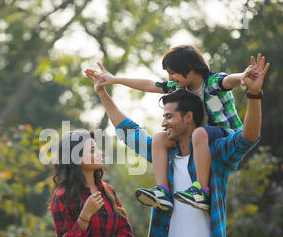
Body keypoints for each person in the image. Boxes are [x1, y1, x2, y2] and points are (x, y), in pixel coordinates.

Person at [87, 53, 269, 237]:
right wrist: (103, 93)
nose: (164, 124)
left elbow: (248, 136)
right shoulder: (164, 157)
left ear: (188, 117)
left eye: (169, 116)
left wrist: (254, 94)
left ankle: (199, 191)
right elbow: (129, 132)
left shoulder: (214, 155)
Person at [85, 45, 257, 213]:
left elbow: (228, 81)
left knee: (199, 133)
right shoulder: (180, 88)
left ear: (189, 68)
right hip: (198, 139)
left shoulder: (211, 82)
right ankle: (162, 192)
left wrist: (243, 76)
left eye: (172, 72)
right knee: (160, 137)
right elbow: (150, 85)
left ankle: (202, 191)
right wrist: (115, 80)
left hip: (224, 134)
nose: (170, 77)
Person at [49, 130, 134, 237]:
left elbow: (128, 236)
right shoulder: (62, 198)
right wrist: (84, 216)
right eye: (93, 150)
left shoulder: (108, 191)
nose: (100, 153)